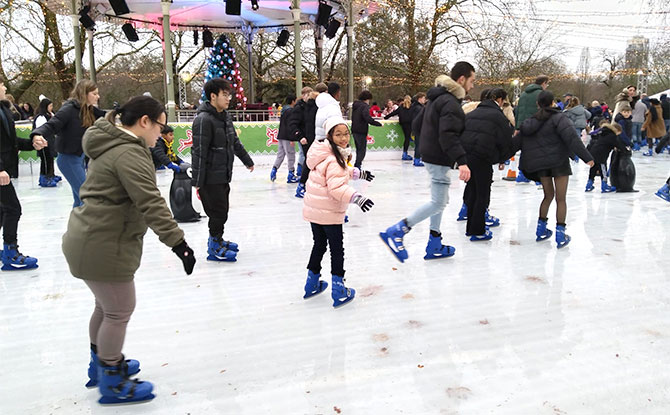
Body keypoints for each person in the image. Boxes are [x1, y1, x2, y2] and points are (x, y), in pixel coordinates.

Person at [62, 95, 196, 405]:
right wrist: (179, 244)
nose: (161, 136)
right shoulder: (130, 153)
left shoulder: (109, 143)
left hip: (88, 238)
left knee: (105, 307)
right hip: (103, 243)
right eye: (161, 128)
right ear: (145, 122)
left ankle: (100, 364)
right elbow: (149, 202)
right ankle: (112, 378)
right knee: (119, 309)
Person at [380, 62, 475, 263]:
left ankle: (434, 242)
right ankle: (396, 231)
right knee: (438, 202)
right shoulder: (449, 102)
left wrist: (426, 145)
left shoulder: (435, 99)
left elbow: (417, 124)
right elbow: (448, 135)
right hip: (439, 156)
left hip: (432, 154)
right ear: (462, 79)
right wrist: (462, 161)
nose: (473, 86)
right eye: (472, 81)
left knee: (439, 200)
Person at [302, 116, 375, 307]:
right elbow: (336, 187)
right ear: (330, 136)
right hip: (329, 212)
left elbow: (338, 173)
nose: (343, 138)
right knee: (337, 250)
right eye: (338, 134)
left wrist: (359, 173)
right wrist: (358, 197)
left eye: (345, 134)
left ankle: (311, 283)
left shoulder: (323, 153)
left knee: (319, 245)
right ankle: (338, 289)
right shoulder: (335, 159)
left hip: (315, 210)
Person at [518, 90, 594, 249]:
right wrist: (587, 157)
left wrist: (499, 156)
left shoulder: (532, 121)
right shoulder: (560, 118)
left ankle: (540, 229)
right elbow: (572, 138)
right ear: (553, 103)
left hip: (542, 165)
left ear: (538, 104)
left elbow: (517, 141)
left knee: (547, 196)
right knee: (561, 199)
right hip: (559, 163)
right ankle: (560, 233)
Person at [191, 78, 254, 262]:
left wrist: (246, 160)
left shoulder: (225, 116)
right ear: (213, 96)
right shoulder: (203, 120)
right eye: (224, 95)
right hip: (210, 178)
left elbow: (233, 141)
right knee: (217, 213)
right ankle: (214, 247)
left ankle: (217, 239)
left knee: (222, 211)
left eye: (229, 95)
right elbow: (199, 152)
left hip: (223, 173)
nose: (228, 98)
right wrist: (198, 183)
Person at [31, 80, 105, 207]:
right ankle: (87, 226)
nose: (98, 97)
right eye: (94, 94)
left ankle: (76, 227)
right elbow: (52, 124)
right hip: (68, 160)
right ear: (84, 94)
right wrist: (37, 134)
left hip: (78, 159)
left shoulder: (88, 109)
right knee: (87, 199)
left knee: (80, 201)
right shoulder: (69, 109)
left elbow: (106, 116)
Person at [0, 81, 47, 270]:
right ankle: (11, 252)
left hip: (5, 168)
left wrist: (31, 143)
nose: (4, 88)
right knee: (13, 209)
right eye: (1, 85)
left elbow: (9, 142)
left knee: (3, 210)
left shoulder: (4, 110)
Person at [460, 88, 515, 241]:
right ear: (499, 100)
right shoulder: (498, 117)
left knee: (472, 190)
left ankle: (470, 228)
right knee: (482, 194)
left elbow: (461, 134)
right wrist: (502, 158)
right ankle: (477, 230)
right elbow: (505, 140)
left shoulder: (472, 114)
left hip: (468, 156)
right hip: (483, 157)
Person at [514, 75, 550, 183]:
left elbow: (518, 111)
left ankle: (522, 175)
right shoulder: (541, 94)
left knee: (525, 150)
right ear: (543, 83)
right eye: (547, 84)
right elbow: (544, 111)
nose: (547, 86)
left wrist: (517, 126)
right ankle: (538, 177)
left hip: (523, 125)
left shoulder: (523, 94)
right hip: (537, 125)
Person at [288, 86, 318, 198]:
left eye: (310, 94)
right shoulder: (299, 107)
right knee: (308, 161)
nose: (308, 96)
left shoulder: (311, 106)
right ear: (303, 95)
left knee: (311, 161)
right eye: (307, 94)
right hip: (305, 139)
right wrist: (300, 136)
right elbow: (293, 124)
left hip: (312, 138)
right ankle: (301, 185)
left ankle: (308, 184)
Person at [585, 122, 628, 193]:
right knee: (603, 170)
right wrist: (625, 150)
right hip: (601, 156)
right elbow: (618, 144)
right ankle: (604, 186)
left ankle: (589, 185)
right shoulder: (612, 136)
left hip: (593, 153)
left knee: (593, 169)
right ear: (616, 130)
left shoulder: (604, 133)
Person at [270, 94, 299, 183]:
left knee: (280, 155)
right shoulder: (290, 111)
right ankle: (291, 174)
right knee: (291, 155)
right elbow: (290, 125)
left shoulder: (283, 110)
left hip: (281, 136)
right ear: (293, 101)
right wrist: (292, 138)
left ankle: (274, 170)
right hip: (287, 136)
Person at [32, 98, 60, 187]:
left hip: (50, 141)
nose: (51, 108)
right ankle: (45, 177)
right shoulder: (41, 117)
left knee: (50, 158)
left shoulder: (50, 115)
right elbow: (41, 129)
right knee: (45, 160)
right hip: (43, 142)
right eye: (50, 106)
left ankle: (51, 174)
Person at [351, 90, 382, 169]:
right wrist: (378, 124)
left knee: (358, 149)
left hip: (354, 130)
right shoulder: (364, 106)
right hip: (361, 130)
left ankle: (357, 165)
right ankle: (357, 166)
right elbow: (367, 118)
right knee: (362, 150)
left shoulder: (356, 106)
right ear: (367, 99)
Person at [384, 95, 414, 161]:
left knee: (407, 137)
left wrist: (386, 117)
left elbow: (394, 113)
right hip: (410, 124)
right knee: (408, 138)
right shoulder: (412, 107)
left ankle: (405, 153)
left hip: (403, 124)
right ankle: (405, 153)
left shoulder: (401, 107)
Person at [409, 92, 427, 166]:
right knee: (419, 144)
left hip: (416, 128)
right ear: (420, 98)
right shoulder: (419, 108)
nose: (425, 100)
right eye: (423, 98)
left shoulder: (415, 106)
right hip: (419, 128)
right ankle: (417, 159)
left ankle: (418, 158)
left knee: (418, 144)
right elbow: (419, 119)